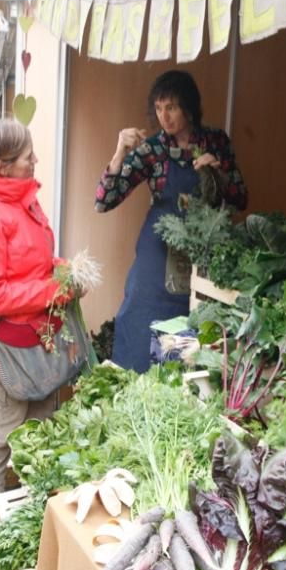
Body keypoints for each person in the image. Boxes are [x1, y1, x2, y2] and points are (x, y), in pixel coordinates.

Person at [95, 70, 248, 372]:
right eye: (158, 108)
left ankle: (179, 394)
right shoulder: (152, 150)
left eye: (172, 107)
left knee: (193, 337)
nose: (164, 116)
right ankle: (134, 389)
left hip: (204, 253)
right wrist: (119, 154)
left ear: (189, 108)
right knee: (140, 322)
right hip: (158, 251)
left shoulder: (216, 142)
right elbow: (104, 201)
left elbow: (241, 198)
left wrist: (218, 174)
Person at [0, 119, 72, 495]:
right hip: (9, 343)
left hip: (39, 333)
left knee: (41, 418)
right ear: (3, 166)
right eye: (28, 156)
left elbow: (34, 262)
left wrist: (61, 271)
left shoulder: (22, 198)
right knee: (8, 422)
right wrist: (51, 291)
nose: (36, 160)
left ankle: (35, 495)